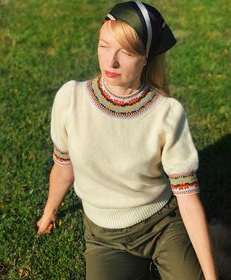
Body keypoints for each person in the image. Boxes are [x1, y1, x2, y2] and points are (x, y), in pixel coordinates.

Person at [37, 1, 218, 279]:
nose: (111, 61)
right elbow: (64, 167)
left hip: (162, 225)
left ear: (146, 57)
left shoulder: (166, 113)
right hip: (104, 238)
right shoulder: (70, 99)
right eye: (104, 45)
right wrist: (49, 212)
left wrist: (210, 275)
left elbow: (187, 199)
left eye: (126, 51)